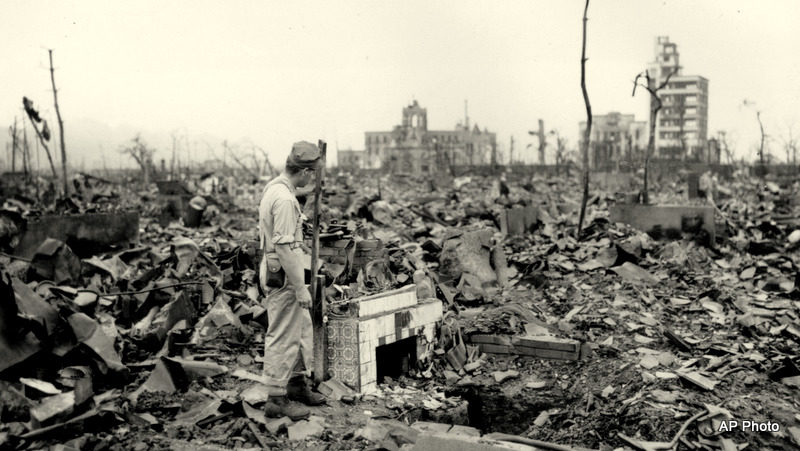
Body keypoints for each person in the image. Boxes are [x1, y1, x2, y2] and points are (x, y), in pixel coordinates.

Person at [258, 141, 326, 420]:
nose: (313, 178)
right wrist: (300, 288)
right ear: (307, 171)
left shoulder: (277, 187)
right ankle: (276, 399)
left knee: (301, 330)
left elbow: (294, 193)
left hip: (284, 269)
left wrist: (312, 192)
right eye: (313, 173)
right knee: (284, 333)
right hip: (284, 274)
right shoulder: (285, 201)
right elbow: (285, 247)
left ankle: (297, 384)